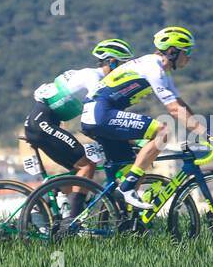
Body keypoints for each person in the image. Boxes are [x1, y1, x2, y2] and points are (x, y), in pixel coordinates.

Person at [81, 26, 205, 210]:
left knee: (131, 166)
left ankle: (124, 224)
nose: (189, 56)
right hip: (101, 113)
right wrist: (208, 135)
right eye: (187, 51)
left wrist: (206, 132)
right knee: (163, 131)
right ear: (172, 51)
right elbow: (174, 109)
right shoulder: (153, 67)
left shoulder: (161, 70)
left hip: (98, 115)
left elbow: (180, 104)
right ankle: (128, 187)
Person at [24, 38, 134, 215]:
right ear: (112, 62)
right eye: (124, 65)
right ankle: (74, 221)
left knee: (77, 171)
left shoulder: (91, 75)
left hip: (42, 123)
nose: (127, 71)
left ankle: (44, 207)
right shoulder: (94, 78)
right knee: (86, 167)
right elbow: (97, 118)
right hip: (42, 123)